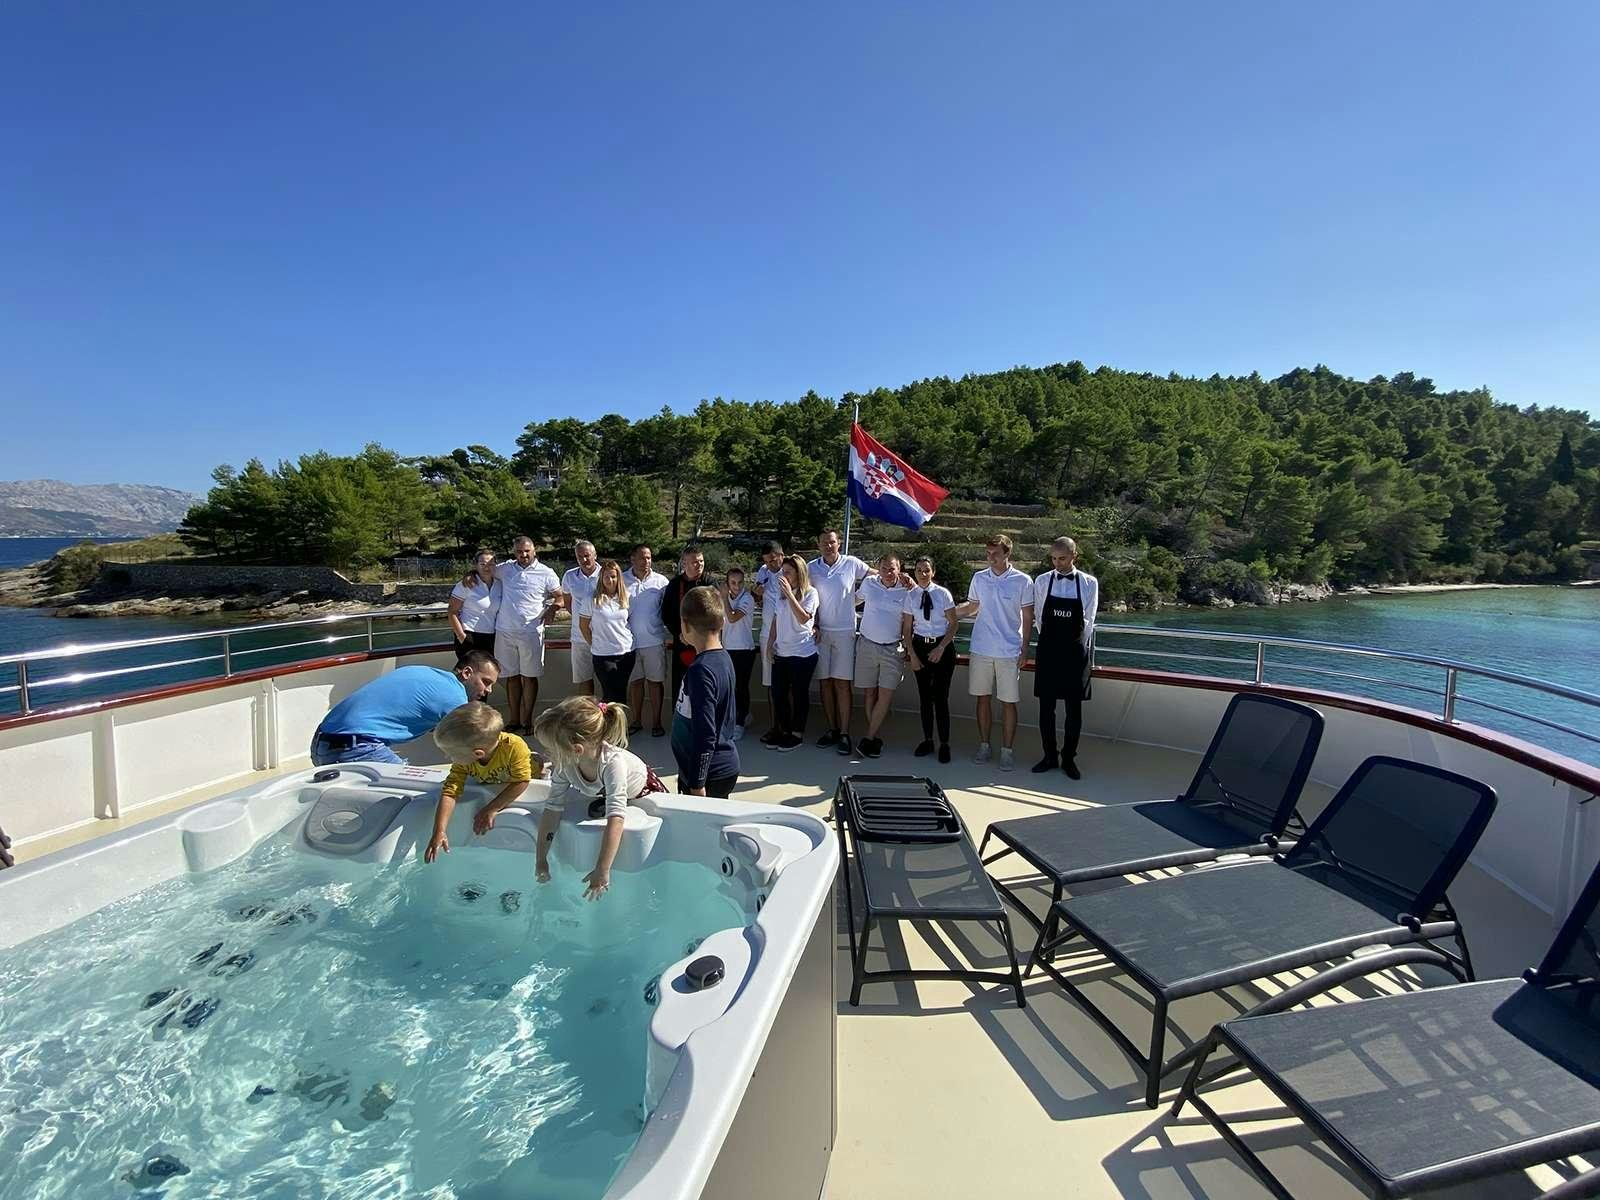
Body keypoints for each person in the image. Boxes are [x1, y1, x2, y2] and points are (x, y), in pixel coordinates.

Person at [531, 696, 663, 901]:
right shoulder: (565, 765)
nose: (547, 755)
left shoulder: (612, 764)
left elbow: (617, 819)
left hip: (643, 792)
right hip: (603, 792)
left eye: (551, 750)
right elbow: (552, 810)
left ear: (576, 750)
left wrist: (602, 869)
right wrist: (541, 858)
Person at [310, 652, 500, 765]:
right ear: (467, 673)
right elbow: (479, 744)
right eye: (486, 682)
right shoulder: (455, 697)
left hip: (321, 742)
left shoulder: (424, 671)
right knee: (412, 799)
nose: (488, 690)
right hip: (353, 749)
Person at [951, 535, 1034, 772]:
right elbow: (972, 606)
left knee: (1008, 702)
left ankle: (1007, 751)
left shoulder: (1023, 581)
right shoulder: (979, 577)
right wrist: (946, 613)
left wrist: (1025, 648)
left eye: (995, 553)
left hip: (1009, 650)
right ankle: (985, 745)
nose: (990, 557)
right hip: (981, 648)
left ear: (1007, 553)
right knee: (982, 698)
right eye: (987, 553)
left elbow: (1027, 617)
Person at [423, 701, 541, 863]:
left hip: (523, 775)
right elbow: (450, 791)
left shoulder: (513, 747)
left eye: (451, 754)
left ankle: (539, 762)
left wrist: (491, 808)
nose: (448, 758)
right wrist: (439, 831)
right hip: (491, 779)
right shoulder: (464, 758)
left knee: (532, 767)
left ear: (478, 753)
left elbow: (521, 782)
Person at [1031, 536, 1099, 779]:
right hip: (1049, 650)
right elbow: (1039, 616)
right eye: (1053, 559)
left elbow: (1089, 621)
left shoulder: (1090, 583)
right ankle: (1049, 756)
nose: (1057, 563)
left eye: (1062, 558)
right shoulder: (1041, 581)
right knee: (1046, 708)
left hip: (1074, 653)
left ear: (1074, 557)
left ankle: (1069, 758)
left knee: (1074, 710)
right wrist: (1052, 641)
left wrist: (1074, 644)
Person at [672, 585, 740, 798]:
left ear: (685, 624)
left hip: (709, 774)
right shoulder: (722, 658)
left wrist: (697, 783)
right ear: (722, 622)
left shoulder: (700, 671)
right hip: (716, 768)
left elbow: (706, 733)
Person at [491, 536, 562, 733]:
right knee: (511, 677)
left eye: (527, 551)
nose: (523, 555)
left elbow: (560, 597)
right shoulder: (504, 569)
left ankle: (528, 720)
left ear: (534, 551)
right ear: (514, 552)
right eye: (519, 552)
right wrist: (470, 575)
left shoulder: (546, 573)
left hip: (531, 632)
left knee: (529, 677)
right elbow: (485, 570)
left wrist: (552, 609)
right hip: (504, 630)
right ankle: (514, 719)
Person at [808, 529, 869, 756]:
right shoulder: (811, 567)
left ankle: (844, 733)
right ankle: (832, 729)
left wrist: (901, 577)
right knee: (825, 683)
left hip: (845, 632)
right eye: (824, 543)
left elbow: (875, 575)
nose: (829, 546)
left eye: (832, 542)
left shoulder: (852, 563)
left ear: (839, 543)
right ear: (818, 544)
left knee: (842, 684)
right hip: (821, 633)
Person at [851, 552, 911, 758]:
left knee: (885, 695)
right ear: (879, 568)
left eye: (892, 568)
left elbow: (911, 619)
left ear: (899, 569)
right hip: (867, 644)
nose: (887, 572)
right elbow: (853, 602)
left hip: (893, 649)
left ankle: (868, 737)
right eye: (884, 568)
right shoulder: (869, 583)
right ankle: (873, 737)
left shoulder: (906, 590)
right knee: (869, 693)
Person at [902, 556, 957, 763]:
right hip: (920, 647)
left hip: (942, 647)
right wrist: (913, 656)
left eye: (926, 570)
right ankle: (927, 740)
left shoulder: (943, 594)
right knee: (925, 698)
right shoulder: (911, 596)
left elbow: (953, 624)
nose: (922, 574)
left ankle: (944, 743)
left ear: (933, 572)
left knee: (941, 698)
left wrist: (941, 647)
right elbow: (907, 628)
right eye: (918, 570)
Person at [765, 554, 821, 752]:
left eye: (788, 572)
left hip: (803, 654)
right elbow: (775, 620)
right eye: (783, 572)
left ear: (799, 573)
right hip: (782, 652)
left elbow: (803, 618)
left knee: (799, 695)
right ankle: (784, 730)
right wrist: (770, 644)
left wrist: (790, 595)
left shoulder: (811, 594)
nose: (784, 575)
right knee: (778, 694)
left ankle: (797, 734)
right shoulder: (780, 595)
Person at [623, 545, 670, 737]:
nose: (646, 561)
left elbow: (668, 610)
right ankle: (636, 720)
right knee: (635, 683)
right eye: (642, 558)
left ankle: (657, 722)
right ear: (632, 559)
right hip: (629, 643)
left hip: (655, 641)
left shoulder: (661, 582)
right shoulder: (621, 579)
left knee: (655, 682)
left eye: (649, 558)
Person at [659, 547, 714, 704]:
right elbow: (667, 615)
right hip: (682, 643)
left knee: (704, 686)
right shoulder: (675, 585)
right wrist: (680, 634)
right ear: (685, 563)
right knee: (680, 686)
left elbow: (716, 613)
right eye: (695, 562)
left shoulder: (710, 583)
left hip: (705, 646)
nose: (699, 565)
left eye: (701, 561)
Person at [582, 558, 635, 705]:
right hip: (603, 655)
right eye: (606, 576)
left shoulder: (627, 597)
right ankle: (609, 727)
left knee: (621, 693)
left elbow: (629, 621)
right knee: (610, 694)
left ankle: (620, 726)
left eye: (613, 576)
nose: (610, 580)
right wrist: (594, 643)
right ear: (601, 578)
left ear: (619, 577)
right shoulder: (591, 599)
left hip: (626, 653)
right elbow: (584, 626)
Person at [750, 541, 786, 743]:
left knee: (787, 682)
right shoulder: (762, 572)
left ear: (781, 555)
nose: (771, 563)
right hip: (766, 634)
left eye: (773, 558)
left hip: (788, 634)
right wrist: (756, 594)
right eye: (767, 560)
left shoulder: (792, 570)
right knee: (770, 682)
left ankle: (788, 726)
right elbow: (758, 599)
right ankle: (774, 727)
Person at [561, 540, 602, 697]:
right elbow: (567, 601)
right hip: (579, 637)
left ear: (595, 555)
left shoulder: (607, 574)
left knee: (607, 679)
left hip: (604, 636)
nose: (584, 560)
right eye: (580, 557)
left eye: (587, 556)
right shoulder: (569, 576)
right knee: (584, 679)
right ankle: (588, 718)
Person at [721, 566, 758, 739]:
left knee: (741, 686)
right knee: (730, 687)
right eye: (733, 583)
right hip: (727, 648)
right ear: (728, 583)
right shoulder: (724, 599)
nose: (736, 586)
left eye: (740, 582)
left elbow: (733, 617)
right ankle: (739, 716)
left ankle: (740, 722)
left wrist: (722, 598)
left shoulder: (748, 599)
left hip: (744, 650)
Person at [447, 549, 498, 659]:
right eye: (482, 564)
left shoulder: (499, 585)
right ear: (476, 565)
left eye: (491, 564)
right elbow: (452, 611)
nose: (487, 567)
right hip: (470, 635)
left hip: (492, 637)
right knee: (469, 674)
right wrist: (462, 637)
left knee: (488, 673)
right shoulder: (467, 584)